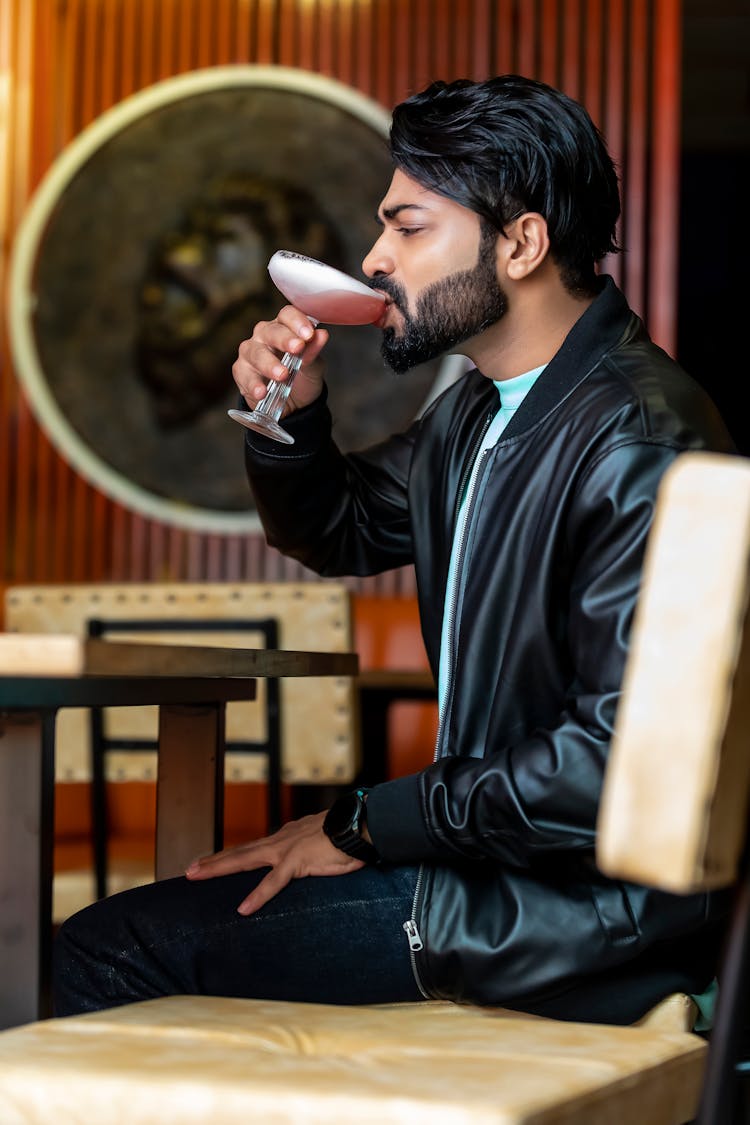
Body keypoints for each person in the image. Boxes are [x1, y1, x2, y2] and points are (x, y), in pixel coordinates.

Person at [54, 74, 736, 1024]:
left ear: (523, 243)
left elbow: (618, 766)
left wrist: (370, 822)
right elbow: (338, 526)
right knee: (139, 932)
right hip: (489, 874)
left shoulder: (639, 436)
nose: (375, 258)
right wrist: (284, 425)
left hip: (576, 916)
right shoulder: (477, 414)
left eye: (409, 227)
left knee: (97, 953)